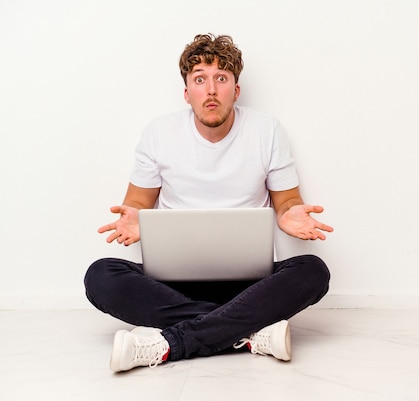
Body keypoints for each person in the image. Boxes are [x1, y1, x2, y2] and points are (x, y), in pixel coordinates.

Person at [83, 33, 333, 372]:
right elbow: (136, 204)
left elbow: (288, 202)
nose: (211, 89)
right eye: (200, 79)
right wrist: (135, 220)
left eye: (221, 78)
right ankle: (248, 334)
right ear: (187, 93)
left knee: (312, 271)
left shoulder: (267, 130)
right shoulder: (159, 132)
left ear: (236, 89)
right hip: (173, 284)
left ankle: (168, 343)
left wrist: (288, 215)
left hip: (248, 285)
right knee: (101, 276)